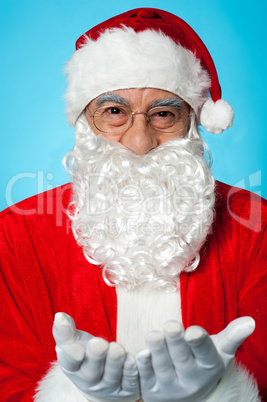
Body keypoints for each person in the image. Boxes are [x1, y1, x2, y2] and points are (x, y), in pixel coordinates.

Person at [0, 7, 266, 402]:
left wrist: (217, 391)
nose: (140, 143)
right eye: (114, 113)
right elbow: (9, 376)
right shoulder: (15, 232)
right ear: (85, 122)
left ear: (192, 124)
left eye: (163, 114)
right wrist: (75, 397)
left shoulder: (254, 223)